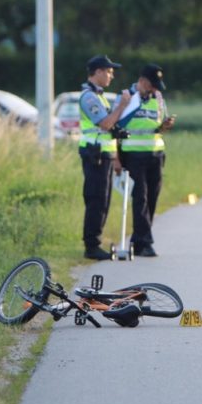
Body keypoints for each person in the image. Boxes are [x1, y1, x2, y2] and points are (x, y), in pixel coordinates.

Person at [116, 64, 176, 257]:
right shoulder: (126, 97)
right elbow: (114, 127)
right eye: (153, 85)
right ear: (142, 81)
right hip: (133, 154)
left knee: (152, 197)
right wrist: (116, 157)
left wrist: (165, 125)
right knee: (140, 196)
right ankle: (146, 242)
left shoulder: (157, 98)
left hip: (156, 153)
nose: (156, 89)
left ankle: (138, 239)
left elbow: (157, 126)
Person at [79, 54, 131, 260]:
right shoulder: (89, 97)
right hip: (95, 154)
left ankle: (95, 241)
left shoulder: (99, 95)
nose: (111, 76)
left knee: (104, 199)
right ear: (98, 72)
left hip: (105, 154)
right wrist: (122, 105)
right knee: (96, 199)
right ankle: (91, 245)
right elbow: (106, 124)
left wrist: (116, 157)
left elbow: (110, 130)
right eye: (108, 72)